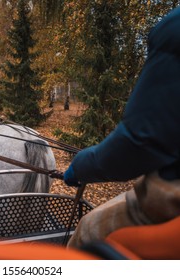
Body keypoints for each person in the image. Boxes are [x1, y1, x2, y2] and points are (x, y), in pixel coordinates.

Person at [63, 6, 180, 248]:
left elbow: (139, 142)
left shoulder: (173, 27)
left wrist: (80, 167)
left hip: (172, 197)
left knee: (86, 229)